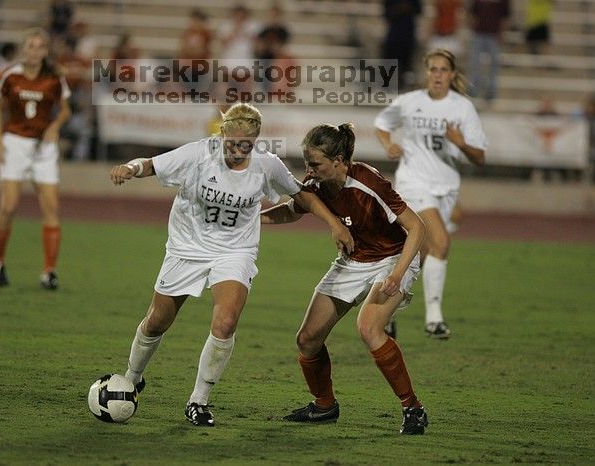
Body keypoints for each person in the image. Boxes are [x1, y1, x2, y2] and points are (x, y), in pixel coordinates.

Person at [108, 103, 354, 427]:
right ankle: (132, 377)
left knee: (225, 324)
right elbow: (151, 165)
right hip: (187, 247)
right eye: (232, 142)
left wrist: (334, 223)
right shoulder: (197, 155)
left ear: (256, 140)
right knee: (157, 321)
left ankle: (198, 401)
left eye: (246, 145)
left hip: (235, 252)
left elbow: (302, 196)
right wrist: (130, 168)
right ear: (221, 133)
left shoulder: (266, 165)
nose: (238, 151)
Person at [260, 123, 428, 434]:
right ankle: (324, 407)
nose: (308, 170)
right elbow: (292, 211)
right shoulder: (318, 185)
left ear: (338, 160)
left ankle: (412, 408)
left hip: (390, 259)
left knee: (368, 328)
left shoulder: (367, 180)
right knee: (307, 340)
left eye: (315, 163)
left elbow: (416, 227)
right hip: (352, 262)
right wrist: (252, 221)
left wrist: (397, 274)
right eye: (307, 163)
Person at [374, 48, 487, 339]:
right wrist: (388, 144)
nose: (437, 75)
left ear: (452, 74)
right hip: (413, 184)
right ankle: (434, 319)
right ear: (427, 73)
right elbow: (382, 125)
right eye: (432, 69)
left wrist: (460, 143)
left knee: (418, 255)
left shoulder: (462, 108)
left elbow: (479, 157)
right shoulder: (410, 102)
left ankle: (385, 311)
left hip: (446, 188)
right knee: (440, 241)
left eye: (442, 70)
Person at [0, 28, 71, 289]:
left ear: (46, 51)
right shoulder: (9, 76)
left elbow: (65, 110)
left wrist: (55, 126)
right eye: (30, 46)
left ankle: (49, 272)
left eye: (40, 46)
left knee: (51, 208)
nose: (35, 51)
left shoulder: (54, 77)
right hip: (15, 142)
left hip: (43, 148)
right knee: (9, 206)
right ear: (24, 49)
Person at [467, 0, 511, 104]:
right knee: (474, 62)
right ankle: (474, 87)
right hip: (479, 33)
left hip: (494, 34)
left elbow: (505, 16)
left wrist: (503, 32)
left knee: (494, 64)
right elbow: (472, 13)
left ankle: (491, 90)